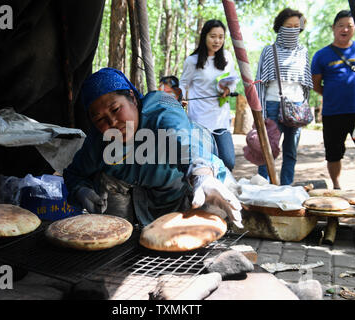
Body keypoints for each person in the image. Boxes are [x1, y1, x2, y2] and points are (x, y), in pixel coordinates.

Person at [63, 67, 242, 228]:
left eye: (116, 109)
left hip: (189, 187)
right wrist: (81, 190)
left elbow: (183, 141)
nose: (113, 122)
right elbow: (74, 173)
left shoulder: (161, 107)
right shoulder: (99, 142)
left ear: (132, 98)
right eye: (100, 119)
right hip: (146, 197)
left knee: (220, 203)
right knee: (104, 179)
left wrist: (202, 175)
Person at [311, 10, 355, 189]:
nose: (345, 29)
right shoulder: (321, 55)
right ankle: (336, 186)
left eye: (350, 26)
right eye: (341, 25)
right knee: (333, 154)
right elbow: (316, 84)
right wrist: (333, 95)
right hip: (332, 113)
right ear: (333, 28)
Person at [255, 8, 313, 185]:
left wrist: (305, 106)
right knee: (267, 150)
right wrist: (261, 113)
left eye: (297, 26)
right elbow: (260, 82)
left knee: (291, 151)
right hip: (272, 105)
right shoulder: (269, 50)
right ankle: (264, 187)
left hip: (296, 107)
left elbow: (307, 85)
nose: (293, 30)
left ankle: (286, 186)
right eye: (289, 26)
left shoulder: (303, 51)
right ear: (280, 27)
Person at [179, 19, 239, 173]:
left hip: (221, 117)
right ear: (205, 36)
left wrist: (228, 88)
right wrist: (181, 99)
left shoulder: (227, 57)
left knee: (228, 161)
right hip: (199, 119)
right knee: (205, 163)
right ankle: (208, 195)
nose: (217, 40)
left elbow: (233, 80)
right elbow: (183, 84)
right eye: (213, 36)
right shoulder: (192, 61)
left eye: (221, 37)